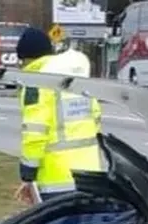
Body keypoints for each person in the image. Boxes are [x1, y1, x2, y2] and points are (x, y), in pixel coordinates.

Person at [14, 28, 103, 205]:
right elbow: (96, 118)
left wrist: (27, 176)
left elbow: (34, 134)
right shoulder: (74, 79)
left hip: (57, 181)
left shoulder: (35, 83)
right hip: (91, 176)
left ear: (26, 58)